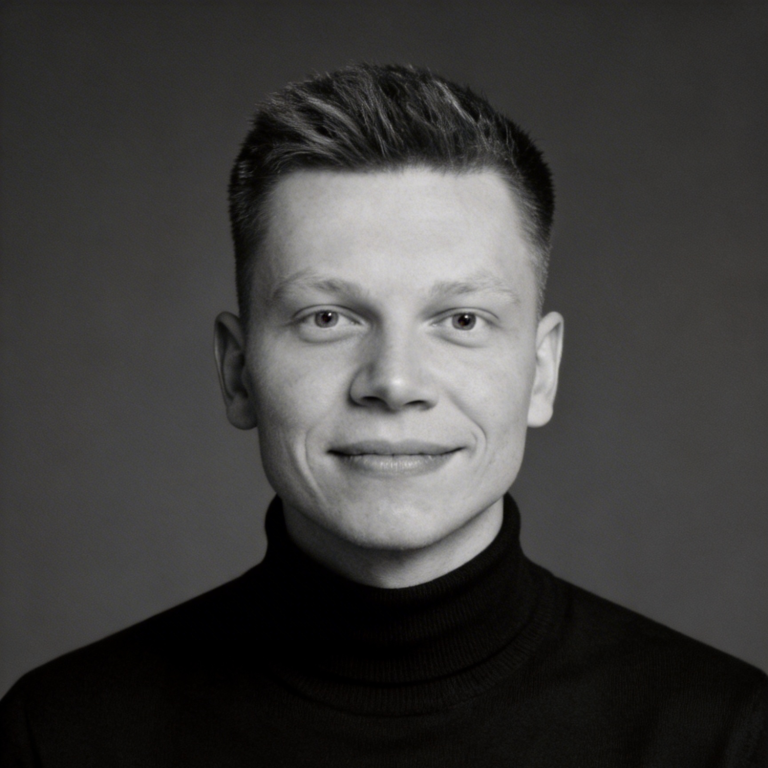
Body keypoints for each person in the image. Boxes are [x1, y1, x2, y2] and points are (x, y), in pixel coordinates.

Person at [1, 63, 765, 767]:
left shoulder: (724, 738)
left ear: (541, 371)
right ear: (238, 373)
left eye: (461, 320)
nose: (394, 382)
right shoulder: (61, 738)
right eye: (327, 318)